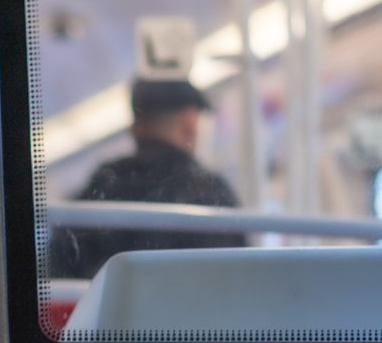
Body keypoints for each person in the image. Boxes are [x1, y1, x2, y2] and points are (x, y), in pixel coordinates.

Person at [48, 79, 246, 279]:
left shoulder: (101, 187)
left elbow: (60, 266)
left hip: (115, 310)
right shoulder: (211, 193)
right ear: (189, 124)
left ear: (134, 128)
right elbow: (239, 275)